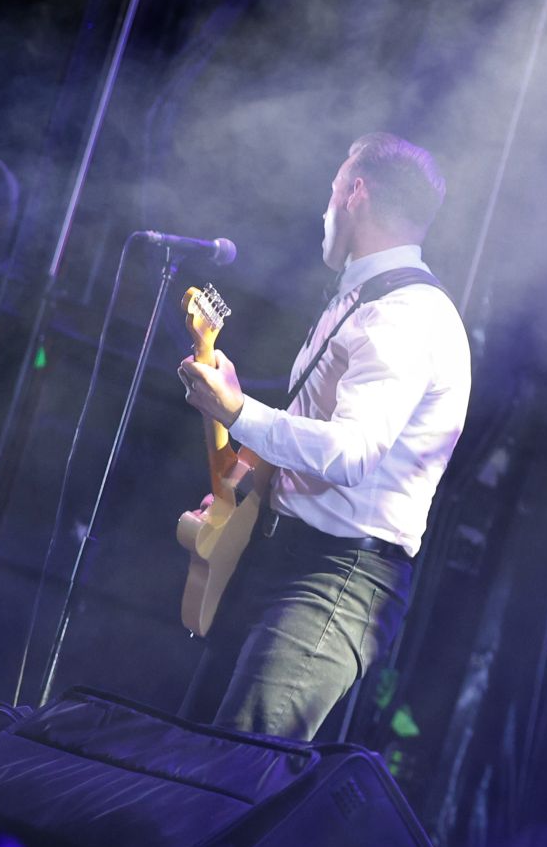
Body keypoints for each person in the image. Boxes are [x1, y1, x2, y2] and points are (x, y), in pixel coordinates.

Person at [177, 132, 470, 740]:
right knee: (195, 756)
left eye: (333, 190)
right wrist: (247, 484)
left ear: (356, 192)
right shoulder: (362, 299)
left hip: (334, 580)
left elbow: (352, 451)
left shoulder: (406, 316)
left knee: (234, 774)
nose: (325, 207)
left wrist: (238, 413)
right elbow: (309, 439)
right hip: (282, 554)